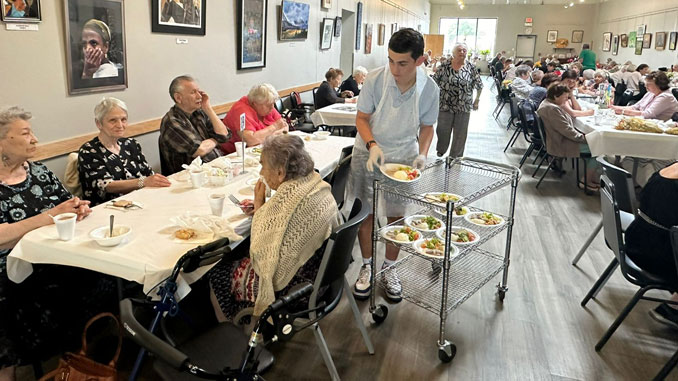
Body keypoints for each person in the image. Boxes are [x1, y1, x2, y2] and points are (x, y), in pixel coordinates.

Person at [0, 106, 116, 381]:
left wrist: (77, 208)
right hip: (11, 268)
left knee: (101, 275)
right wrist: (49, 217)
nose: (35, 139)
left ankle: (81, 359)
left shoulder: (38, 171)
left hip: (55, 254)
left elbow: (64, 205)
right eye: (26, 133)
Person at [348, 28, 439, 302]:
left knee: (396, 216)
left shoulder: (429, 89)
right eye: (390, 60)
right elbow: (362, 119)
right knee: (366, 212)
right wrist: (372, 145)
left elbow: (427, 127)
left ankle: (389, 268)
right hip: (368, 151)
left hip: (403, 156)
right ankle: (366, 266)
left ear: (419, 61)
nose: (395, 69)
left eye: (403, 63)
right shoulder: (376, 80)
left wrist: (422, 154)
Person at [209, 134, 338, 322]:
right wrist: (265, 210)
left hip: (299, 288)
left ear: (280, 172)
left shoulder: (285, 204)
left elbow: (261, 252)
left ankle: (239, 336)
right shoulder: (315, 183)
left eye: (263, 165)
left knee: (217, 273)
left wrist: (260, 204)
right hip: (324, 275)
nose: (261, 171)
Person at [78, 97, 170, 206]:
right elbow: (106, 185)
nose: (120, 125)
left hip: (141, 201)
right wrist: (142, 182)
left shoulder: (131, 144)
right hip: (109, 208)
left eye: (123, 119)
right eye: (113, 120)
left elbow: (148, 174)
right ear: (99, 124)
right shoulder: (89, 151)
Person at [624, 162, 678, 327]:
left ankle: (673, 305)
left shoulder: (670, 168)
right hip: (657, 255)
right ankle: (672, 309)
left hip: (637, 240)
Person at [159, 75, 231, 175]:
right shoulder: (171, 121)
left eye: (199, 91)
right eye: (193, 92)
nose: (200, 96)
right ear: (178, 98)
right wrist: (216, 139)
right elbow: (199, 150)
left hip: (213, 169)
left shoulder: (199, 112)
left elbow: (224, 135)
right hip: (188, 178)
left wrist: (208, 108)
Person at [536, 85, 599, 188]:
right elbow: (568, 132)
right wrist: (587, 139)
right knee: (598, 149)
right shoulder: (552, 109)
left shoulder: (548, 104)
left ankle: (590, 177)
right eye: (565, 97)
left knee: (593, 148)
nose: (566, 100)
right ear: (556, 96)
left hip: (557, 140)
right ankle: (586, 181)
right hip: (560, 144)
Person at [433, 42, 482, 158]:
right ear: (453, 53)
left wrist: (477, 100)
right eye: (459, 50)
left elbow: (479, 85)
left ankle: (455, 156)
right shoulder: (444, 66)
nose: (462, 52)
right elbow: (434, 82)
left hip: (463, 105)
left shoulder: (471, 67)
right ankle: (441, 149)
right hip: (445, 104)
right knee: (442, 130)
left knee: (460, 133)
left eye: (464, 50)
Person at [220, 83, 288, 154]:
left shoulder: (267, 105)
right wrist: (274, 127)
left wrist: (265, 136)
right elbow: (250, 141)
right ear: (254, 103)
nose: (272, 107)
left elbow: (284, 126)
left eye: (273, 103)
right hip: (234, 154)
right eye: (269, 105)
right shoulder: (241, 110)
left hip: (261, 149)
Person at [611, 71, 678, 120]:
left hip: (659, 129)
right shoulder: (651, 93)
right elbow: (635, 107)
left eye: (648, 84)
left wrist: (623, 111)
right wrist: (613, 107)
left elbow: (648, 114)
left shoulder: (666, 97)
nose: (645, 86)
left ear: (659, 84)